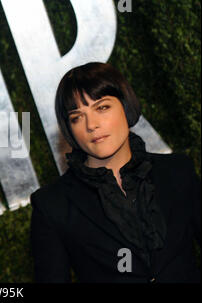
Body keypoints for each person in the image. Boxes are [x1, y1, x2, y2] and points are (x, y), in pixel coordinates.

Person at [30, 62, 200, 283]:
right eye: (77, 117)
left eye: (102, 107)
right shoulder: (52, 205)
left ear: (126, 105)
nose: (91, 125)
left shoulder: (178, 171)